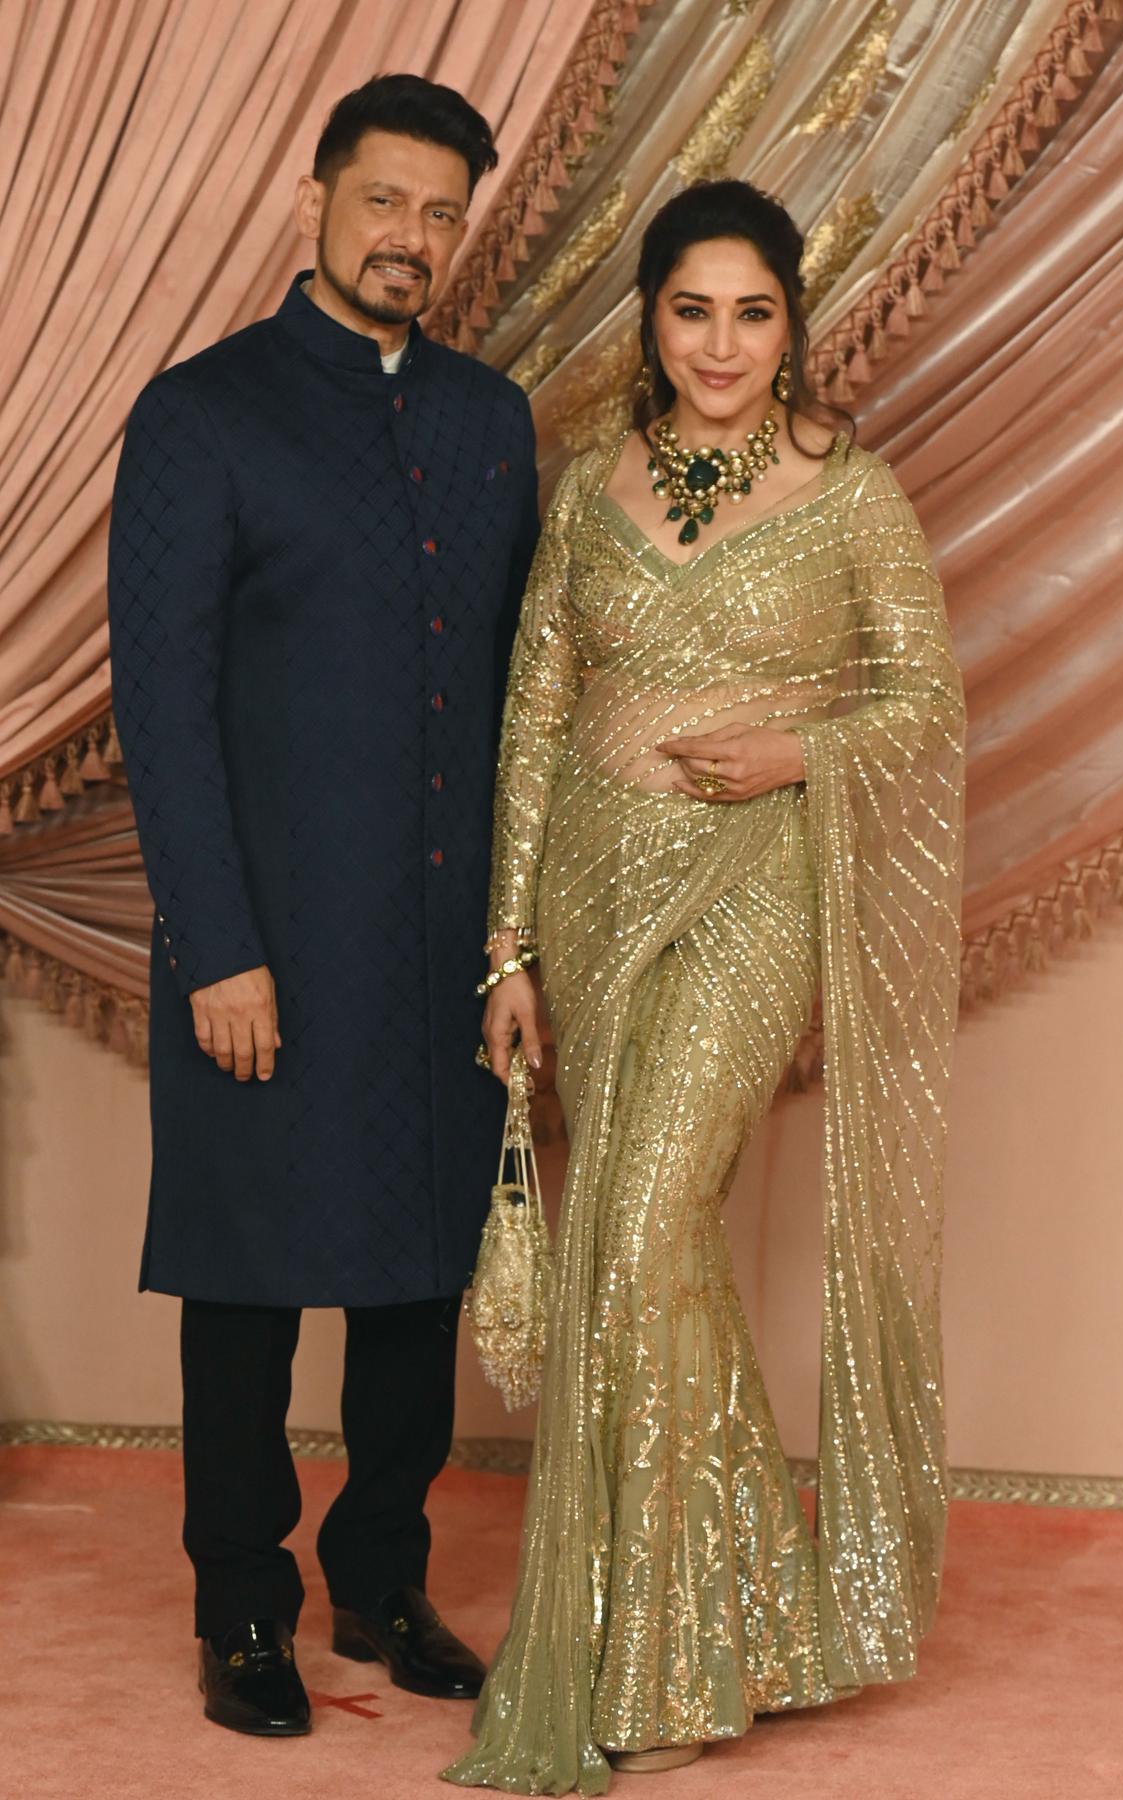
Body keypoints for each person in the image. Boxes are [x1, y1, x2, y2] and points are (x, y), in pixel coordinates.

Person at [445, 179, 966, 1794]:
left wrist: (798, 748)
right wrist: (510, 951)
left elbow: (928, 710)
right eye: (692, 310)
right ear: (651, 321)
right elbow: (532, 721)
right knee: (636, 1245)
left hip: (750, 893)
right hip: (592, 899)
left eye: (753, 311)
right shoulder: (591, 489)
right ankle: (738, 1619)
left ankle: (661, 1659)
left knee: (650, 1217)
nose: (723, 344)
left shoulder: (851, 492)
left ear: (792, 321)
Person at [107, 74, 540, 1737]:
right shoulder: (201, 413)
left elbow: (517, 693)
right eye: (386, 202)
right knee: (249, 1291)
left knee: (414, 1286)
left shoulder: (488, 421)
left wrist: (509, 949)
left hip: (436, 955)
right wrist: (215, 942)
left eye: (441, 213)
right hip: (263, 949)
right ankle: (242, 1612)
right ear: (318, 202)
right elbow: (163, 703)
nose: (411, 239)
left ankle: (381, 1583)